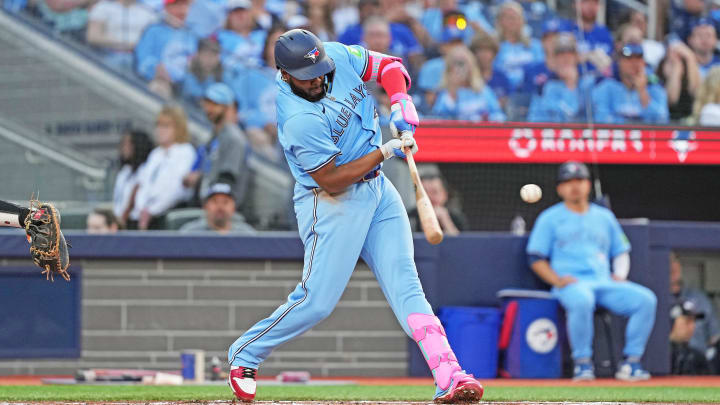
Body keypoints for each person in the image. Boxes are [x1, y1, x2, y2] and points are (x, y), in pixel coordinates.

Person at [226, 29, 484, 403]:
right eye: (305, 75)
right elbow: (331, 179)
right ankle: (245, 352)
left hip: (378, 190)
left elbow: (390, 66)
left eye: (319, 70)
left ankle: (449, 374)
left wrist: (399, 100)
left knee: (407, 286)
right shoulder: (298, 117)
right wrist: (387, 150)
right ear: (284, 73)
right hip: (330, 202)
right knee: (317, 301)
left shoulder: (334, 57)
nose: (316, 79)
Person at [526, 161, 657, 381]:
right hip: (572, 285)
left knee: (646, 299)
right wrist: (557, 280)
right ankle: (583, 364)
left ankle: (632, 363)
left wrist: (620, 275)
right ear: (559, 188)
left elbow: (621, 250)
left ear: (588, 184)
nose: (574, 186)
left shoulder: (604, 216)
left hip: (604, 282)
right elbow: (535, 257)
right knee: (582, 299)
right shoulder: (549, 218)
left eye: (579, 180)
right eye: (568, 182)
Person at [183, 83, 250, 207]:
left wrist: (198, 178)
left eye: (215, 104)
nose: (209, 109)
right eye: (207, 103)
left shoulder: (234, 138)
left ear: (228, 107)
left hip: (222, 208)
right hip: (206, 201)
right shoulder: (215, 136)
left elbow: (227, 179)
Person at [129, 106, 196, 230]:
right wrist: (142, 208)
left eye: (166, 126)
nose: (160, 130)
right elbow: (144, 184)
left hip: (167, 214)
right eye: (158, 125)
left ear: (179, 128)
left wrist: (153, 211)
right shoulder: (155, 154)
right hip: (144, 214)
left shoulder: (185, 151)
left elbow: (176, 190)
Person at [592, 43, 669, 124]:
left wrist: (642, 92)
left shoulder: (655, 86)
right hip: (617, 135)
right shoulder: (606, 86)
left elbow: (663, 120)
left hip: (646, 136)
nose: (634, 63)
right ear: (620, 62)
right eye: (629, 59)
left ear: (643, 63)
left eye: (638, 59)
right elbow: (601, 119)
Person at [134, 0, 197, 98]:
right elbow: (143, 62)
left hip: (179, 89)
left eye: (185, 6)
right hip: (153, 82)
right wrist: (157, 69)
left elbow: (190, 65)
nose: (183, 10)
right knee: (158, 89)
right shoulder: (154, 30)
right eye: (178, 5)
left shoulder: (190, 36)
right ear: (167, 8)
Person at [670, 251, 720, 373]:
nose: (672, 266)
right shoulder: (655, 299)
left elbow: (715, 336)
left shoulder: (699, 298)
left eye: (675, 260)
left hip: (700, 361)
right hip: (669, 359)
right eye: (668, 261)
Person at [527, 34, 595, 122]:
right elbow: (569, 114)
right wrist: (570, 84)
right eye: (560, 54)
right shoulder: (546, 87)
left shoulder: (589, 83)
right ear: (553, 60)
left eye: (570, 54)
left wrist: (572, 82)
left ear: (577, 57)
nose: (565, 59)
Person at [431, 45, 506, 121]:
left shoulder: (483, 90)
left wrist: (485, 119)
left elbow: (500, 116)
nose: (459, 68)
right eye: (456, 63)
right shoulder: (444, 94)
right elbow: (438, 119)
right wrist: (452, 92)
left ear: (471, 65)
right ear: (449, 68)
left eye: (462, 63)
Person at [86, 0, 157, 70]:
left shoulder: (148, 12)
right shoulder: (104, 6)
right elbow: (93, 37)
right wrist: (127, 44)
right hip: (108, 54)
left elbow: (152, 41)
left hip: (137, 58)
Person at [492, 1, 545, 91]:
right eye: (508, 17)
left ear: (522, 20)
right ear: (499, 21)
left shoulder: (535, 46)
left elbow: (541, 71)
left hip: (532, 91)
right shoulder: (493, 47)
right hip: (506, 93)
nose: (512, 20)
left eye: (515, 17)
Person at [112, 129, 154, 227]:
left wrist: (122, 219)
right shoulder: (124, 172)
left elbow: (134, 197)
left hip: (135, 222)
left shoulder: (146, 169)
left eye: (128, 144)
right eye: (123, 144)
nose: (124, 148)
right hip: (119, 222)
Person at [180, 182, 256, 234]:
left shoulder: (246, 234)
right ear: (205, 206)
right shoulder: (190, 232)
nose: (220, 207)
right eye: (215, 202)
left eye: (225, 202)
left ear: (233, 208)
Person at [217, 0, 268, 77]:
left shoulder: (264, 35)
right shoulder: (220, 38)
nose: (240, 15)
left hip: (264, 80)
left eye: (243, 11)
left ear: (251, 14)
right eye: (235, 12)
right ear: (229, 16)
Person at [657, 39, 701, 121]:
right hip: (667, 123)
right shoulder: (657, 82)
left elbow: (696, 92)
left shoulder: (690, 82)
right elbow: (671, 100)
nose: (676, 65)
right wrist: (676, 70)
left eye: (681, 63)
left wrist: (690, 57)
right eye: (670, 62)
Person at [572, 0, 613, 74]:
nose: (590, 6)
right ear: (575, 4)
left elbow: (612, 59)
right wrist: (587, 56)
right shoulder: (568, 31)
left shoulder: (604, 32)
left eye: (595, 2)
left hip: (602, 80)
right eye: (586, 1)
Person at [182, 38, 224, 107]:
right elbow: (198, 98)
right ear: (198, 54)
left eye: (214, 55)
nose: (209, 60)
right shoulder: (189, 73)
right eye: (206, 55)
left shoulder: (221, 76)